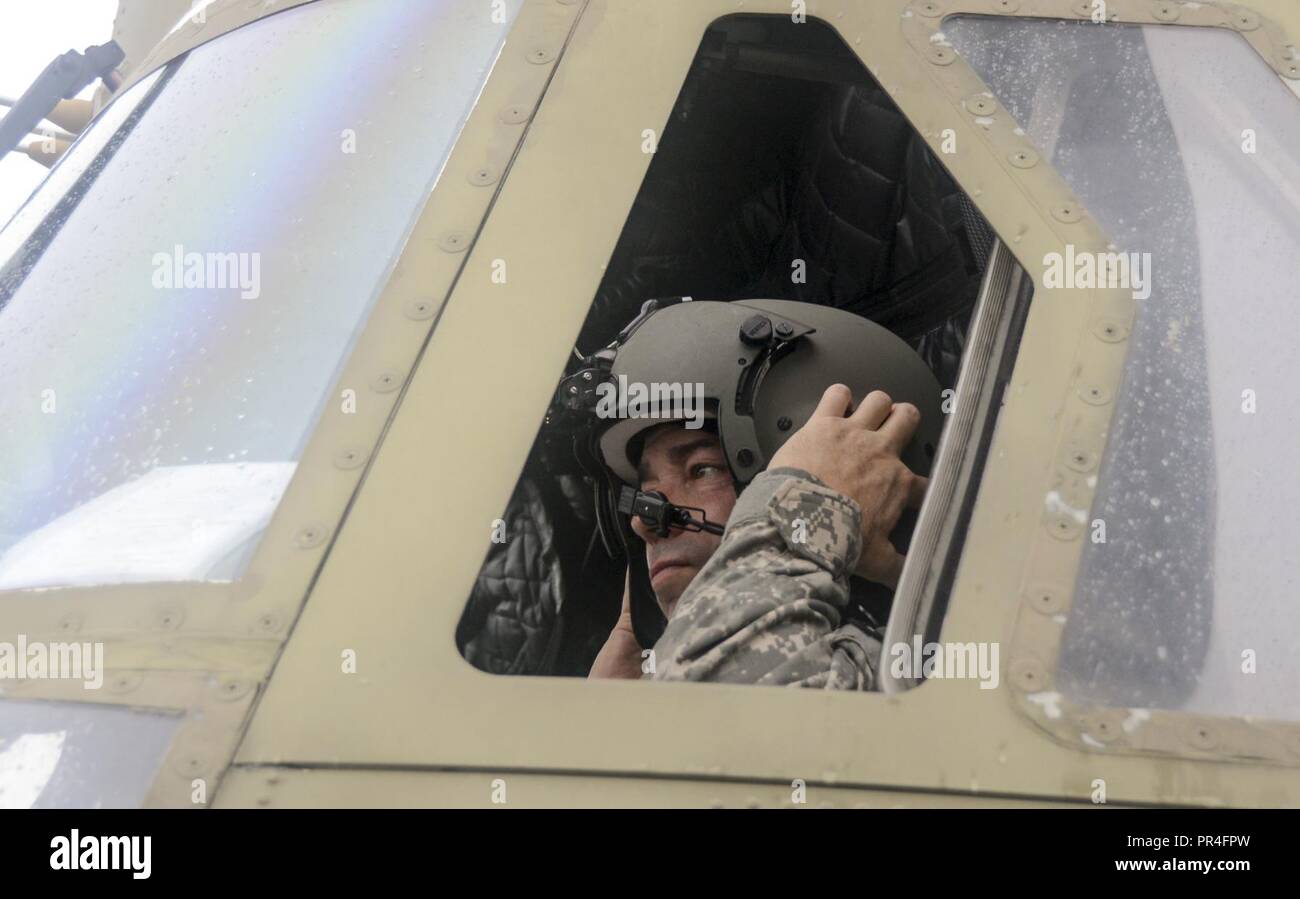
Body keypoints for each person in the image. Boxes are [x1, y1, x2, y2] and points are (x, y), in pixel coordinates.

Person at [577, 299, 941, 689]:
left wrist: (805, 513)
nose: (644, 521)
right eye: (647, 491)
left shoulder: (927, 671)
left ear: (866, 483)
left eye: (702, 470)